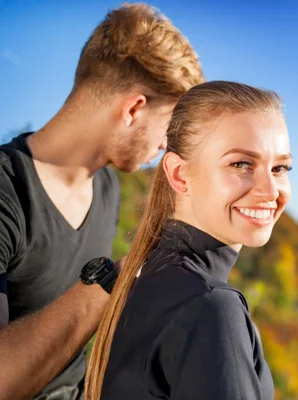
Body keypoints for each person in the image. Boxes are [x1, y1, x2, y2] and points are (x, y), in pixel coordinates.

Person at [0, 4, 204, 399]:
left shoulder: (107, 187)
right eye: (170, 130)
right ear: (133, 109)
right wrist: (112, 280)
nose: (167, 147)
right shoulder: (6, 193)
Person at [84, 81, 291, 400]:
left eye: (280, 167)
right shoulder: (209, 307)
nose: (271, 189)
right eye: (241, 164)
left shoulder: (151, 274)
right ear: (179, 175)